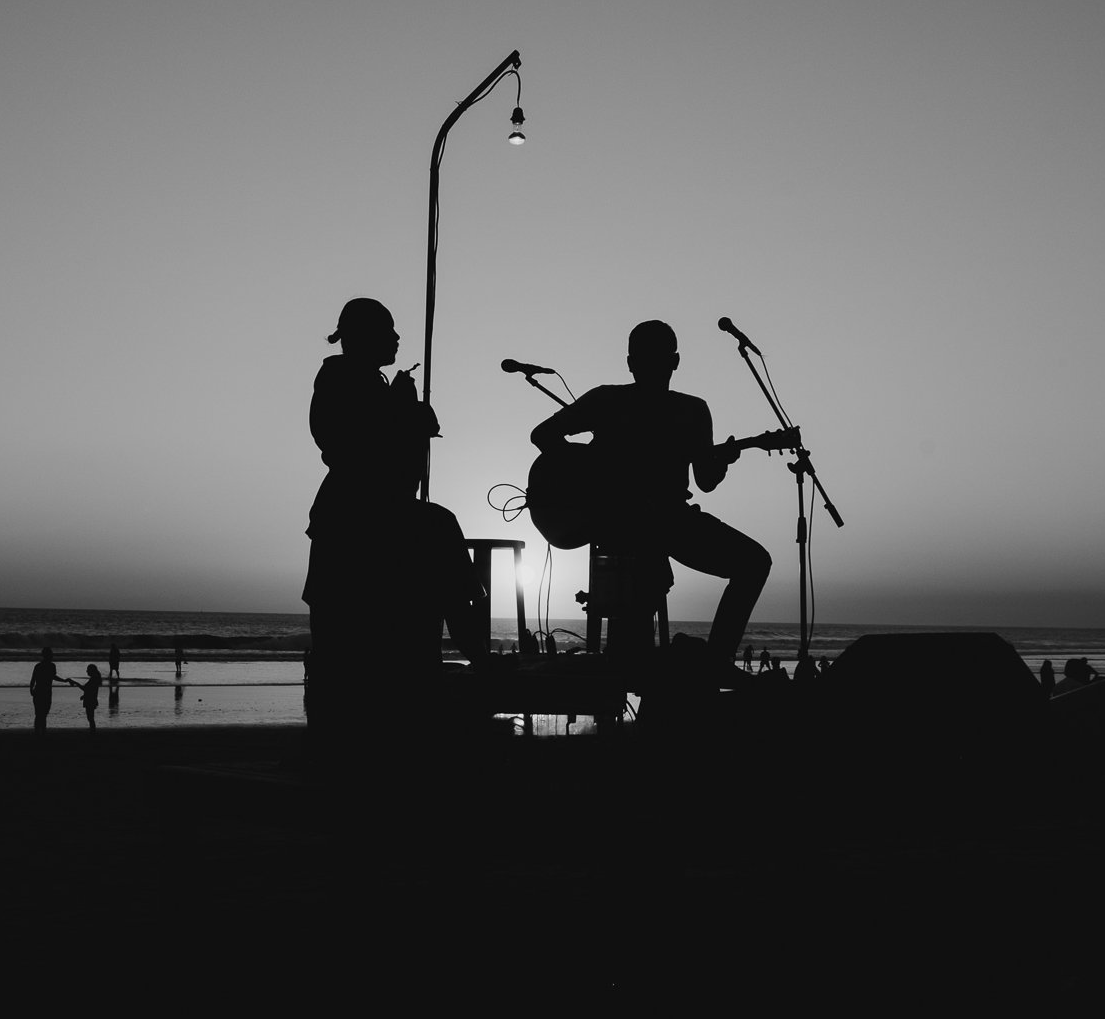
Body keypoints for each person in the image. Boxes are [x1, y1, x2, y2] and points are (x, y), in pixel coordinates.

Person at [530, 320, 771, 670]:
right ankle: (706, 662)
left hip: (654, 524)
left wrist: (723, 459)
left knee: (752, 562)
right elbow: (543, 435)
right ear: (674, 361)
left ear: (634, 362)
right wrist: (595, 473)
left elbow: (704, 479)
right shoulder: (667, 407)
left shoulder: (634, 402)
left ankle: (703, 664)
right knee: (751, 563)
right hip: (639, 527)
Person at [302, 297, 489, 723]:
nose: (398, 337)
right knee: (338, 644)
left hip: (376, 514)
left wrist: (404, 409)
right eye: (388, 330)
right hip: (356, 517)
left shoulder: (373, 384)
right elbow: (350, 442)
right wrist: (401, 410)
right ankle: (478, 655)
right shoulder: (339, 377)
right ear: (364, 337)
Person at [29, 647, 58, 732]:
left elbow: (33, 679)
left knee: (38, 713)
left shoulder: (38, 666)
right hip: (46, 692)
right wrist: (65, 680)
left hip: (38, 691)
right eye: (51, 654)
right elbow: (54, 677)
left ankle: (38, 731)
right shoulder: (52, 666)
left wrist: (31, 689)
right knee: (43, 713)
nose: (52, 656)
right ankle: (42, 731)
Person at [74, 664, 104, 733]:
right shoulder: (94, 678)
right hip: (91, 699)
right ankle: (92, 730)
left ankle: (92, 731)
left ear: (91, 671)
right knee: (90, 717)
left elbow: (86, 689)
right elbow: (90, 690)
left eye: (88, 670)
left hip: (90, 700)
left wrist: (76, 683)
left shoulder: (93, 679)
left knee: (90, 717)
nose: (87, 671)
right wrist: (84, 696)